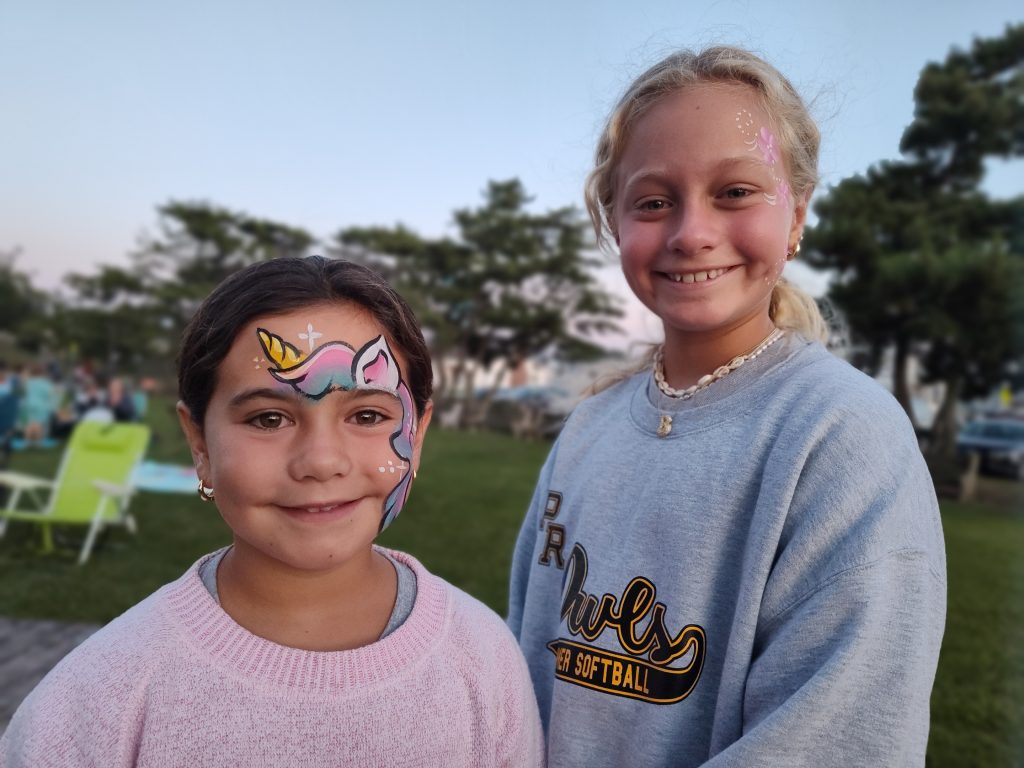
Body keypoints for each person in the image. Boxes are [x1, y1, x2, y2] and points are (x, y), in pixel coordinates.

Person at [507, 46, 946, 767]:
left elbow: (837, 738)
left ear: (796, 214)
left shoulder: (842, 436)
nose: (690, 232)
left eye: (736, 192)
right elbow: (523, 664)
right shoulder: (587, 428)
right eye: (653, 201)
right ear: (616, 222)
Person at [2, 256, 543, 767]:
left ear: (416, 435)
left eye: (369, 414)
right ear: (199, 443)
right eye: (267, 419)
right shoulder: (99, 698)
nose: (321, 461)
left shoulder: (484, 660)